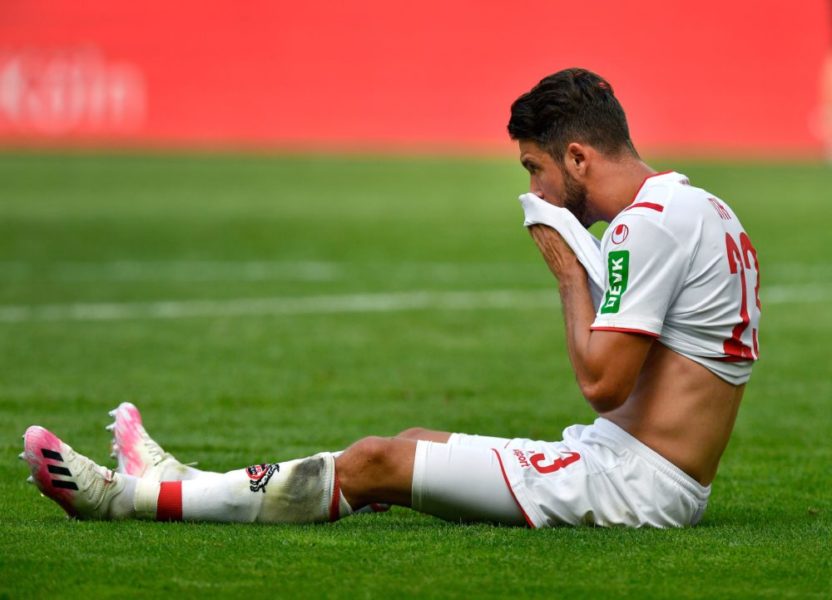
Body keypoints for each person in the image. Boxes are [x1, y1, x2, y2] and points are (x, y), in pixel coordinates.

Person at [21, 68, 761, 528]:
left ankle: (127, 499)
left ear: (577, 156)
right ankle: (182, 481)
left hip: (638, 487)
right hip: (629, 460)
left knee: (378, 460)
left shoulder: (649, 226)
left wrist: (568, 269)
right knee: (414, 443)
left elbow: (604, 383)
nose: (536, 192)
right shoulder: (702, 207)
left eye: (537, 169)